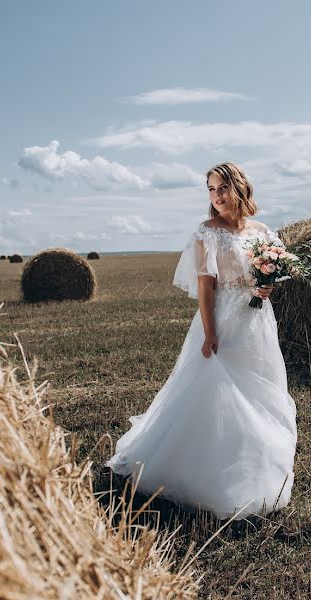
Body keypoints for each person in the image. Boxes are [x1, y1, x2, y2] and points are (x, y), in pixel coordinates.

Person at [105, 162, 298, 520]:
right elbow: (206, 288)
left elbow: (272, 273)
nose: (217, 196)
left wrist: (268, 285)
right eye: (211, 189)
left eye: (222, 187)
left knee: (261, 391)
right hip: (222, 318)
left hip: (257, 320)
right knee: (218, 394)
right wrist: (210, 334)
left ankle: (259, 465)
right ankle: (211, 474)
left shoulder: (262, 231)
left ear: (240, 188)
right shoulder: (206, 232)